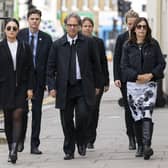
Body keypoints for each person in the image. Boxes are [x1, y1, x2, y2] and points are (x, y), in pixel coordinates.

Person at [47, 13, 102, 160]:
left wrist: (98, 84)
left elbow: (96, 65)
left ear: (78, 26)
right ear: (66, 26)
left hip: (83, 87)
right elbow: (50, 68)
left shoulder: (88, 43)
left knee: (83, 115)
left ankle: (81, 141)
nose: (72, 28)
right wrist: (52, 87)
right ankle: (69, 149)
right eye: (69, 25)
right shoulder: (57, 44)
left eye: (75, 25)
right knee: (66, 120)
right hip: (64, 88)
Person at [121, 17, 166, 160]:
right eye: (139, 27)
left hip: (149, 86)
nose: (141, 29)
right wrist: (137, 76)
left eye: (144, 27)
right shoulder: (127, 46)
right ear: (134, 29)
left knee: (146, 113)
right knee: (137, 116)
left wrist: (151, 74)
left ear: (147, 29)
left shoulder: (153, 44)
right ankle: (139, 145)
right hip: (133, 86)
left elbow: (161, 63)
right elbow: (124, 67)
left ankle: (147, 146)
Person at [17, 9, 52, 154]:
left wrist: (49, 83)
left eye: (37, 19)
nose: (34, 21)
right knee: (22, 112)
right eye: (32, 19)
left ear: (40, 21)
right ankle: (20, 141)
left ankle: (34, 145)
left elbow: (50, 62)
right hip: (22, 81)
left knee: (37, 113)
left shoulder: (46, 38)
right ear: (28, 20)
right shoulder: (20, 35)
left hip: (38, 81)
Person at [0, 18, 34, 164]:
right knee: (8, 119)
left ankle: (14, 149)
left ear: (18, 30)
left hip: (21, 87)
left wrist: (30, 88)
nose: (12, 31)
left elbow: (30, 69)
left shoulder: (25, 47)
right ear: (4, 30)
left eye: (14, 28)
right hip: (4, 88)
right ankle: (10, 147)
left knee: (19, 114)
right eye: (9, 28)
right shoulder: (0, 47)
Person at [81, 17, 110, 149]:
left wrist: (106, 81)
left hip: (96, 81)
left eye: (89, 26)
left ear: (93, 28)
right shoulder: (78, 41)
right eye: (85, 26)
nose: (87, 28)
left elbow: (103, 61)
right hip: (81, 82)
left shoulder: (98, 42)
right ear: (81, 27)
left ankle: (90, 138)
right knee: (82, 111)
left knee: (93, 110)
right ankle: (82, 135)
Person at [113, 9, 139, 150]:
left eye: (134, 23)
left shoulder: (143, 36)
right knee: (129, 109)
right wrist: (116, 77)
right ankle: (131, 138)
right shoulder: (121, 38)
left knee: (139, 109)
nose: (132, 26)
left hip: (140, 80)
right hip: (125, 80)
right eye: (129, 24)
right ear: (126, 24)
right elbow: (116, 59)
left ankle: (140, 135)